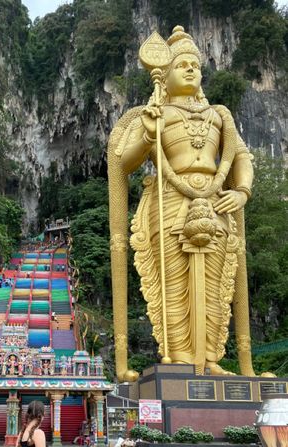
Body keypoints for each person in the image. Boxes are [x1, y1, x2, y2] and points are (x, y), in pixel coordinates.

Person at [109, 26, 255, 379]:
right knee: (171, 282)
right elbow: (122, 163)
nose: (190, 69)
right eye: (181, 65)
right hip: (170, 201)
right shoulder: (156, 114)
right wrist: (147, 134)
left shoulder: (219, 114)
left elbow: (241, 157)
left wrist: (241, 191)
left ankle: (211, 357)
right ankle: (177, 355)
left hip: (216, 200)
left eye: (195, 64)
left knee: (216, 281)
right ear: (165, 75)